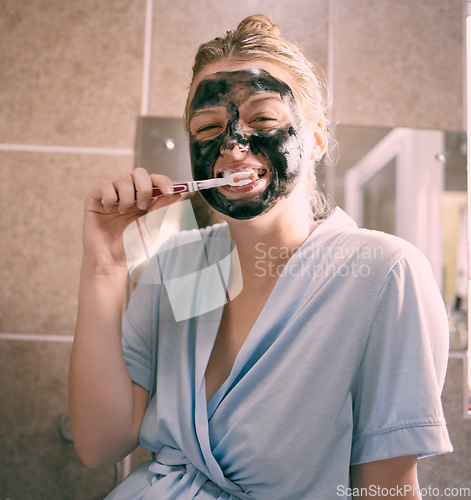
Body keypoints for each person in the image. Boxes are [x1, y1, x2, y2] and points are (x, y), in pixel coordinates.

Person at [68, 14, 452, 499]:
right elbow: (101, 444)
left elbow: (387, 490)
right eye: (208, 127)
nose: (232, 145)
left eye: (264, 118)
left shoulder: (382, 273)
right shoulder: (188, 264)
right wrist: (103, 266)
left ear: (314, 139)